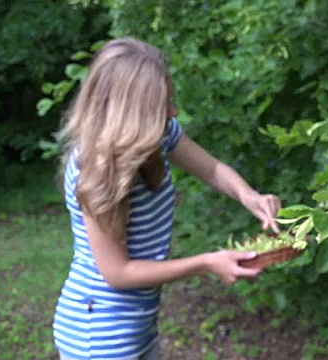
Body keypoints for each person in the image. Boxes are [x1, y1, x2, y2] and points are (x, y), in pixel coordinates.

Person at [52, 37, 282, 360]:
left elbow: (212, 169)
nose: (173, 112)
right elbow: (118, 273)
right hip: (99, 339)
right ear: (130, 115)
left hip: (139, 330)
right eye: (163, 105)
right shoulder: (96, 170)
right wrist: (206, 262)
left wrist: (249, 196)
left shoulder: (158, 135)